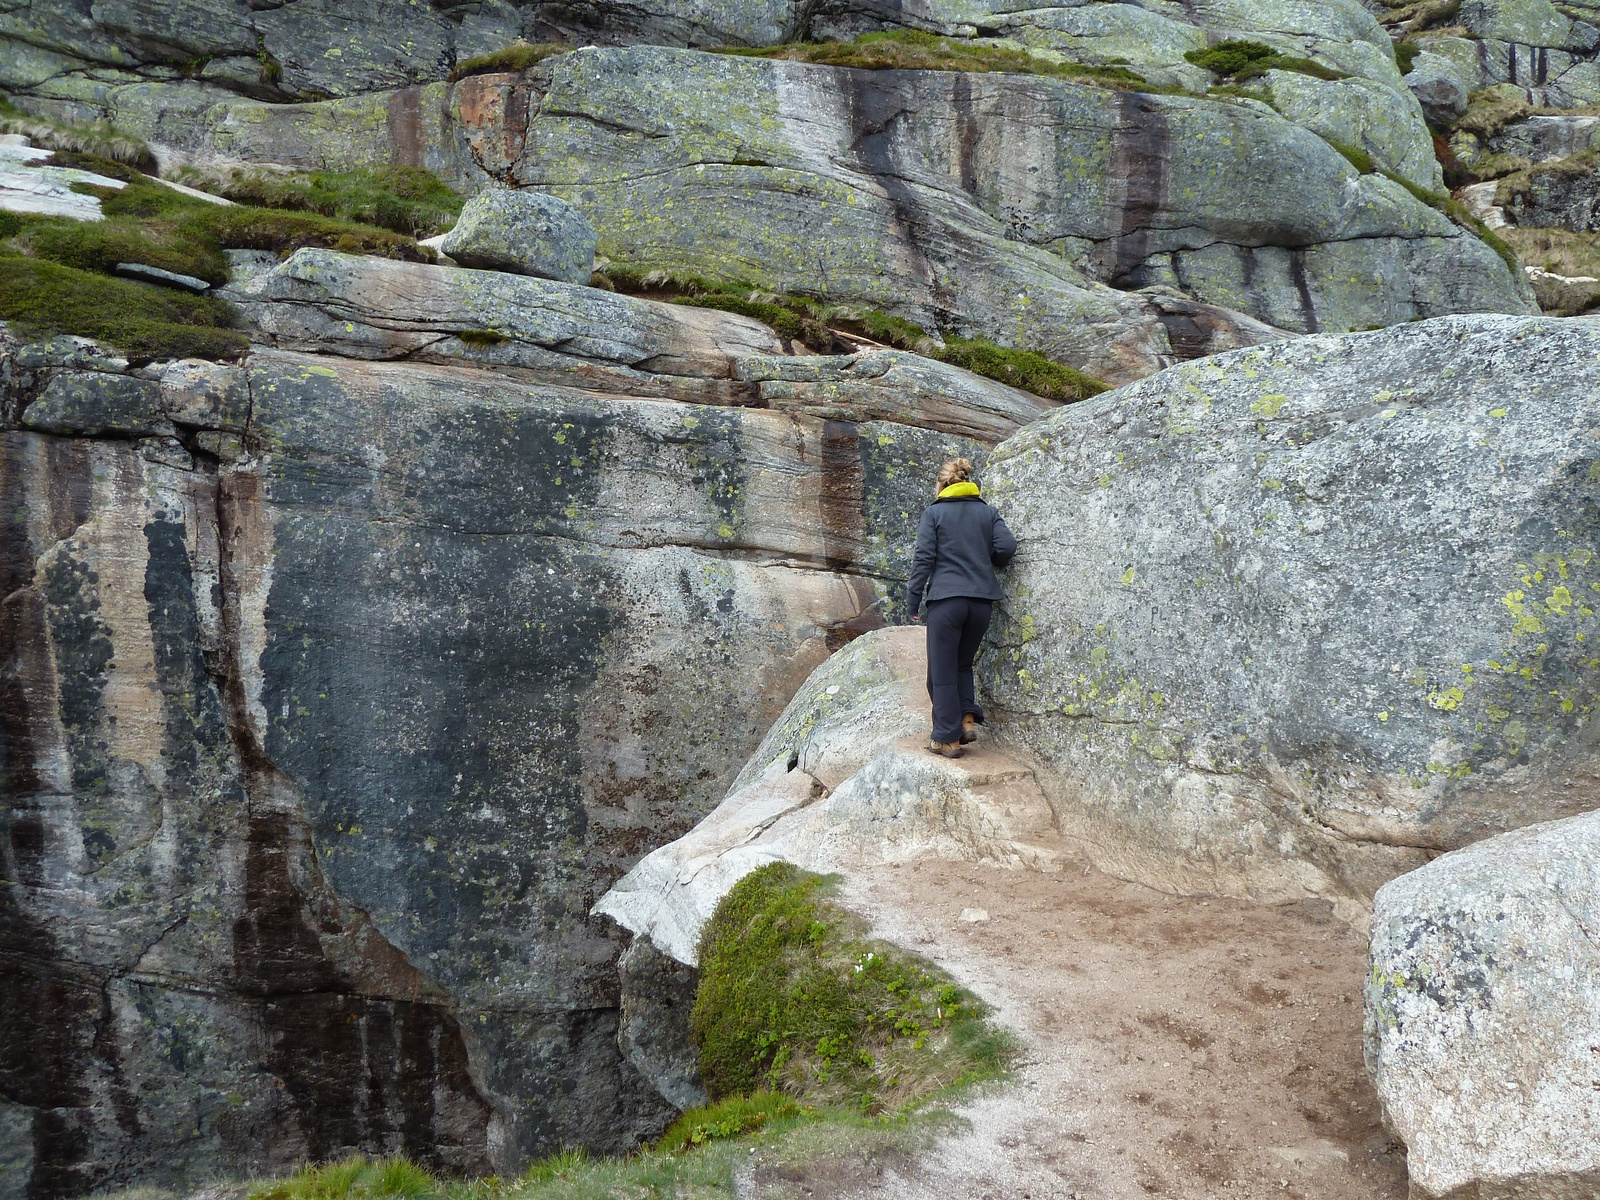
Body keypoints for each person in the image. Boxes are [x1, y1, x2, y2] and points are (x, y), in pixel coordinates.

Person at [905, 457, 1017, 759]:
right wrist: (986, 560)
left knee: (940, 674)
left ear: (942, 484)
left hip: (947, 602)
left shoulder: (934, 513)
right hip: (981, 603)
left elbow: (923, 559)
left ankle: (947, 739)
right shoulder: (988, 512)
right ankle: (967, 720)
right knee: (962, 664)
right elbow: (1006, 547)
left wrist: (913, 600)